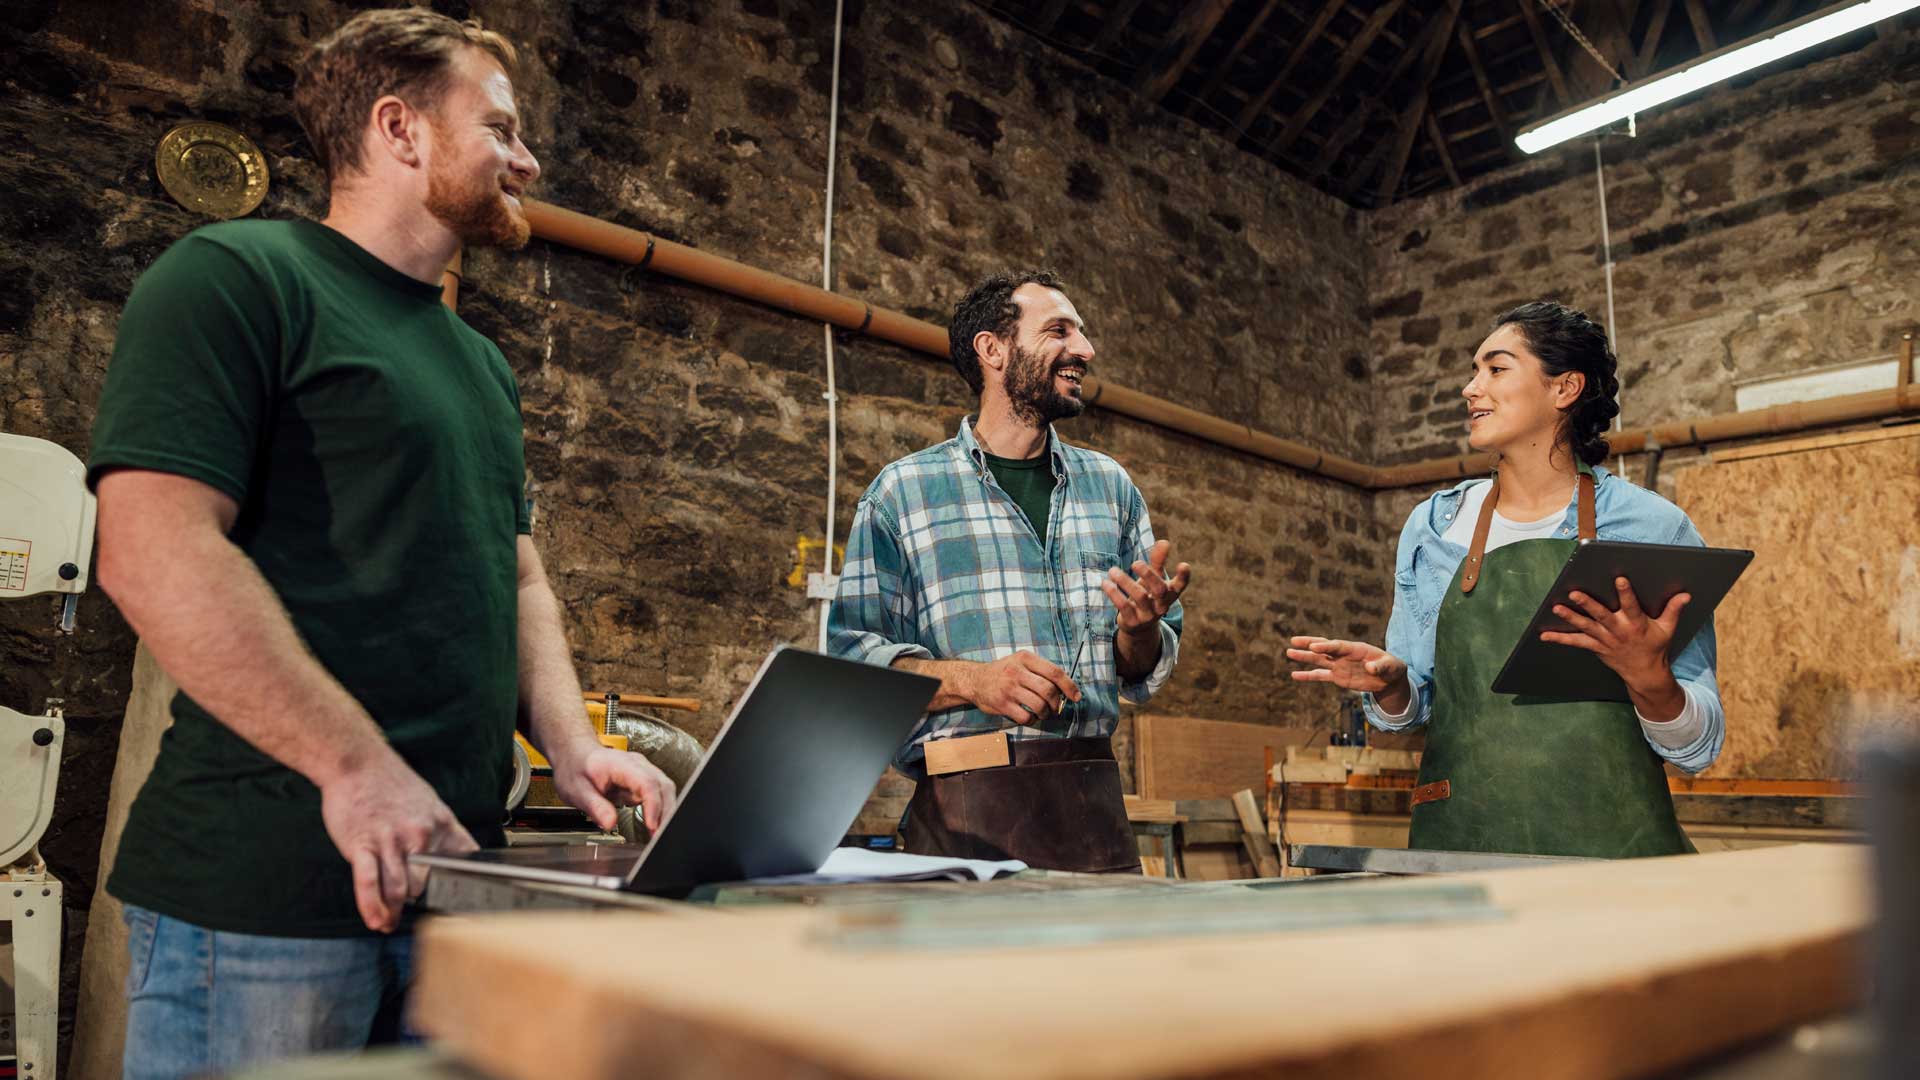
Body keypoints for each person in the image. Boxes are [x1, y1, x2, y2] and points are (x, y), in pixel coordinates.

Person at [88, 11, 674, 1076]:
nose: (526, 157)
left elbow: (518, 574)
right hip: (268, 896)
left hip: (453, 888)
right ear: (400, 128)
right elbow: (148, 547)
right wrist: (356, 766)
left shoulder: (479, 363)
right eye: (498, 126)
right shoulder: (236, 276)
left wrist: (569, 744)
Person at [1287, 301, 1723, 858]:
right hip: (1465, 848)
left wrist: (1651, 680)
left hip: (1614, 858)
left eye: (1495, 369)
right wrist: (1392, 685)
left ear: (1564, 388)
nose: (1471, 389)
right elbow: (1412, 709)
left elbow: (1699, 749)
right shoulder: (1434, 528)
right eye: (1474, 372)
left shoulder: (1652, 528)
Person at [829, 269, 1191, 873]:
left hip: (1096, 816)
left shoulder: (1111, 489)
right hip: (962, 822)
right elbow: (850, 671)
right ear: (993, 350)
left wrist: (1139, 629)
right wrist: (975, 683)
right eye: (1059, 330)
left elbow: (1138, 668)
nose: (1085, 350)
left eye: (1081, 334)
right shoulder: (903, 493)